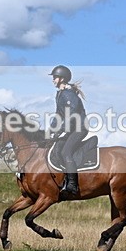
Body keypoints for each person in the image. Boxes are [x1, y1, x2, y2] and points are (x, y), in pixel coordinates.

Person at [49, 65, 87, 199]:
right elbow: (59, 114)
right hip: (70, 128)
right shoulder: (60, 94)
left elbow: (72, 114)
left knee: (66, 152)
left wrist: (61, 129)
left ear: (62, 79)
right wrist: (52, 129)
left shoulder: (68, 94)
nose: (53, 80)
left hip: (79, 129)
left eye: (55, 77)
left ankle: (72, 185)